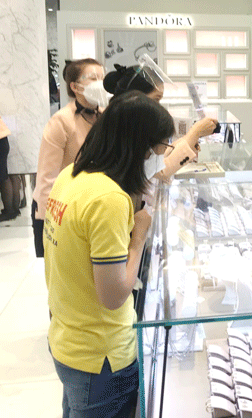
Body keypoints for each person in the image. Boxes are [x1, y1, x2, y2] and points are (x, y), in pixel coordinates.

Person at [45, 91, 174, 417]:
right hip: (102, 356)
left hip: (68, 339)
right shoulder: (109, 198)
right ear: (140, 146)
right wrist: (139, 236)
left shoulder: (71, 175)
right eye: (160, 147)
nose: (159, 155)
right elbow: (114, 294)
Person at [33, 58, 105, 256]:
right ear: (75, 86)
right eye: (93, 78)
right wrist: (51, 222)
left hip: (94, 203)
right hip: (62, 205)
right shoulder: (61, 121)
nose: (100, 83)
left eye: (102, 77)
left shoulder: (105, 116)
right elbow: (47, 178)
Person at [103, 63, 217, 180]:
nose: (158, 107)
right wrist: (195, 133)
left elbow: (157, 156)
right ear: (135, 98)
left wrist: (189, 138)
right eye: (156, 99)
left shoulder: (126, 122)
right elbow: (160, 171)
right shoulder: (124, 129)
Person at [0, 115, 19, 222]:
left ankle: (9, 211)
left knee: (3, 178)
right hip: (3, 141)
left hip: (0, 142)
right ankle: (13, 209)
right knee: (6, 175)